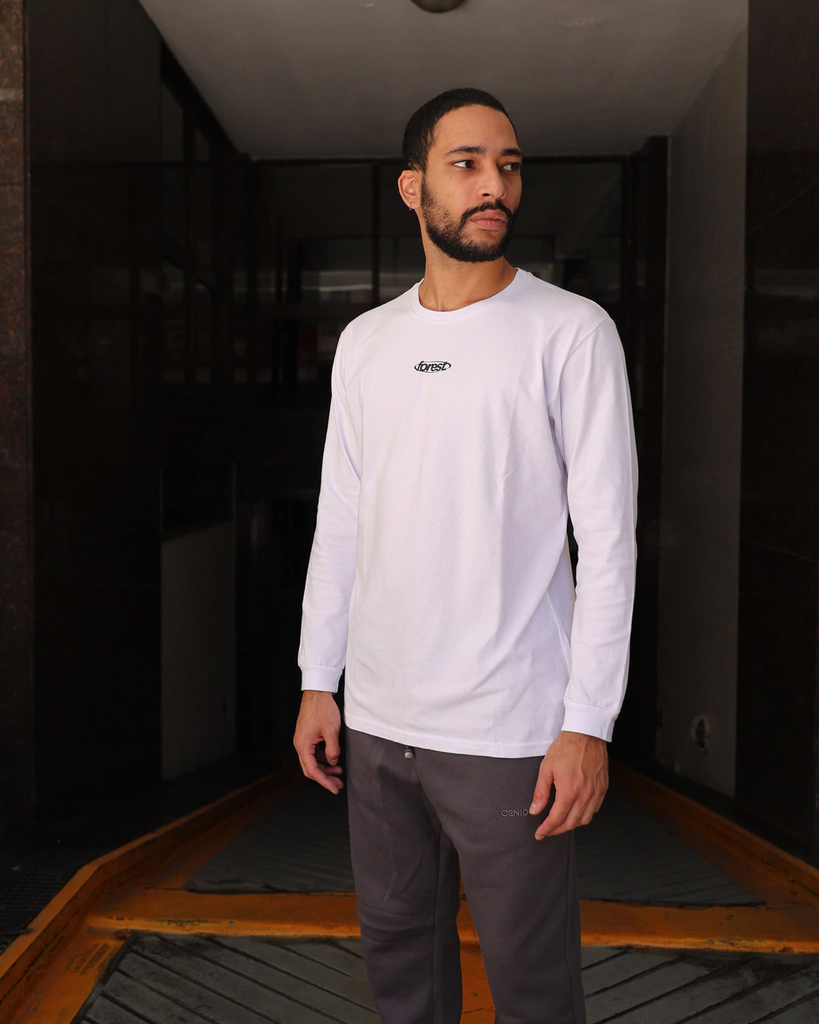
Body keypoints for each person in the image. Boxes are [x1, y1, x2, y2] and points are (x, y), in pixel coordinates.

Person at [293, 87, 638, 1024]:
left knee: (533, 989)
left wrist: (588, 723)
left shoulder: (571, 332)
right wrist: (318, 679)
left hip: (509, 732)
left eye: (508, 166)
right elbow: (341, 521)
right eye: (467, 165)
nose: (495, 186)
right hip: (378, 724)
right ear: (412, 188)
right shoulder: (366, 342)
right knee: (400, 969)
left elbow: (608, 543)